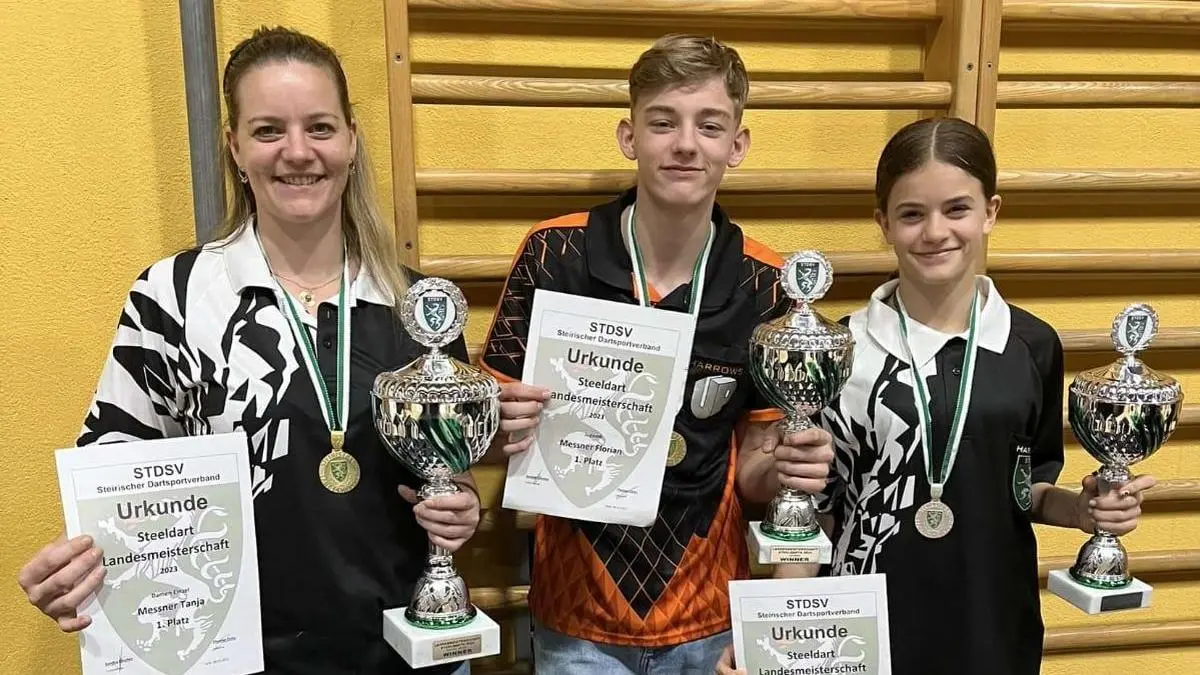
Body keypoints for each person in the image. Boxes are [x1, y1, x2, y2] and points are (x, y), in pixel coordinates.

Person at [16, 26, 479, 675]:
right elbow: (114, 482)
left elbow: (449, 474)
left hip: (404, 654)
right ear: (234, 146)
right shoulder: (172, 297)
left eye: (320, 127)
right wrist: (75, 569)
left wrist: (461, 509)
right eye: (268, 131)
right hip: (235, 659)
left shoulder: (418, 307)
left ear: (351, 139)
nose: (298, 152)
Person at [715, 116, 1155, 675]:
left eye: (957, 209)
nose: (934, 231)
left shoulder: (1032, 345)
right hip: (858, 636)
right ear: (883, 222)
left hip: (992, 629)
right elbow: (812, 515)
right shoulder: (840, 349)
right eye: (911, 214)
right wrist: (770, 638)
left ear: (990, 211)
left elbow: (1029, 491)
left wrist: (1087, 510)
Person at [478, 34, 835, 673]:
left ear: (737, 145)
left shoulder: (767, 284)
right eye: (663, 122)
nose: (685, 144)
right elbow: (488, 435)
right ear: (629, 136)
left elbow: (753, 473)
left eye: (709, 125)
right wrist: (502, 425)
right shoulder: (553, 253)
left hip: (709, 618)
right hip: (574, 619)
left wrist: (790, 468)